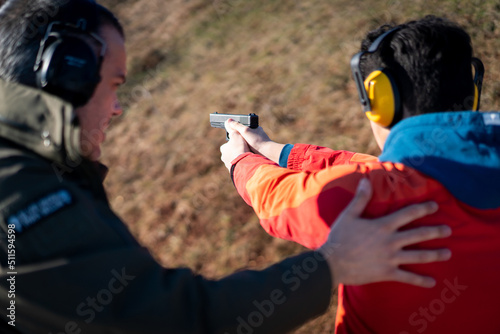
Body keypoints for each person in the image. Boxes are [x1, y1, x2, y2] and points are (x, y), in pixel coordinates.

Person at [0, 1, 452, 333]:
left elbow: (342, 182)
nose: (117, 108)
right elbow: (177, 321)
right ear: (69, 73)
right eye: (114, 84)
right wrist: (331, 265)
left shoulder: (29, 174)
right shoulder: (23, 192)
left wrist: (266, 154)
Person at [220, 15, 500, 334]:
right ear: (472, 89)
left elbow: (276, 199)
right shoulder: (395, 181)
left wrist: (240, 161)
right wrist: (274, 150)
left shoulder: (367, 199)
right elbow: (366, 169)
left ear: (380, 100)